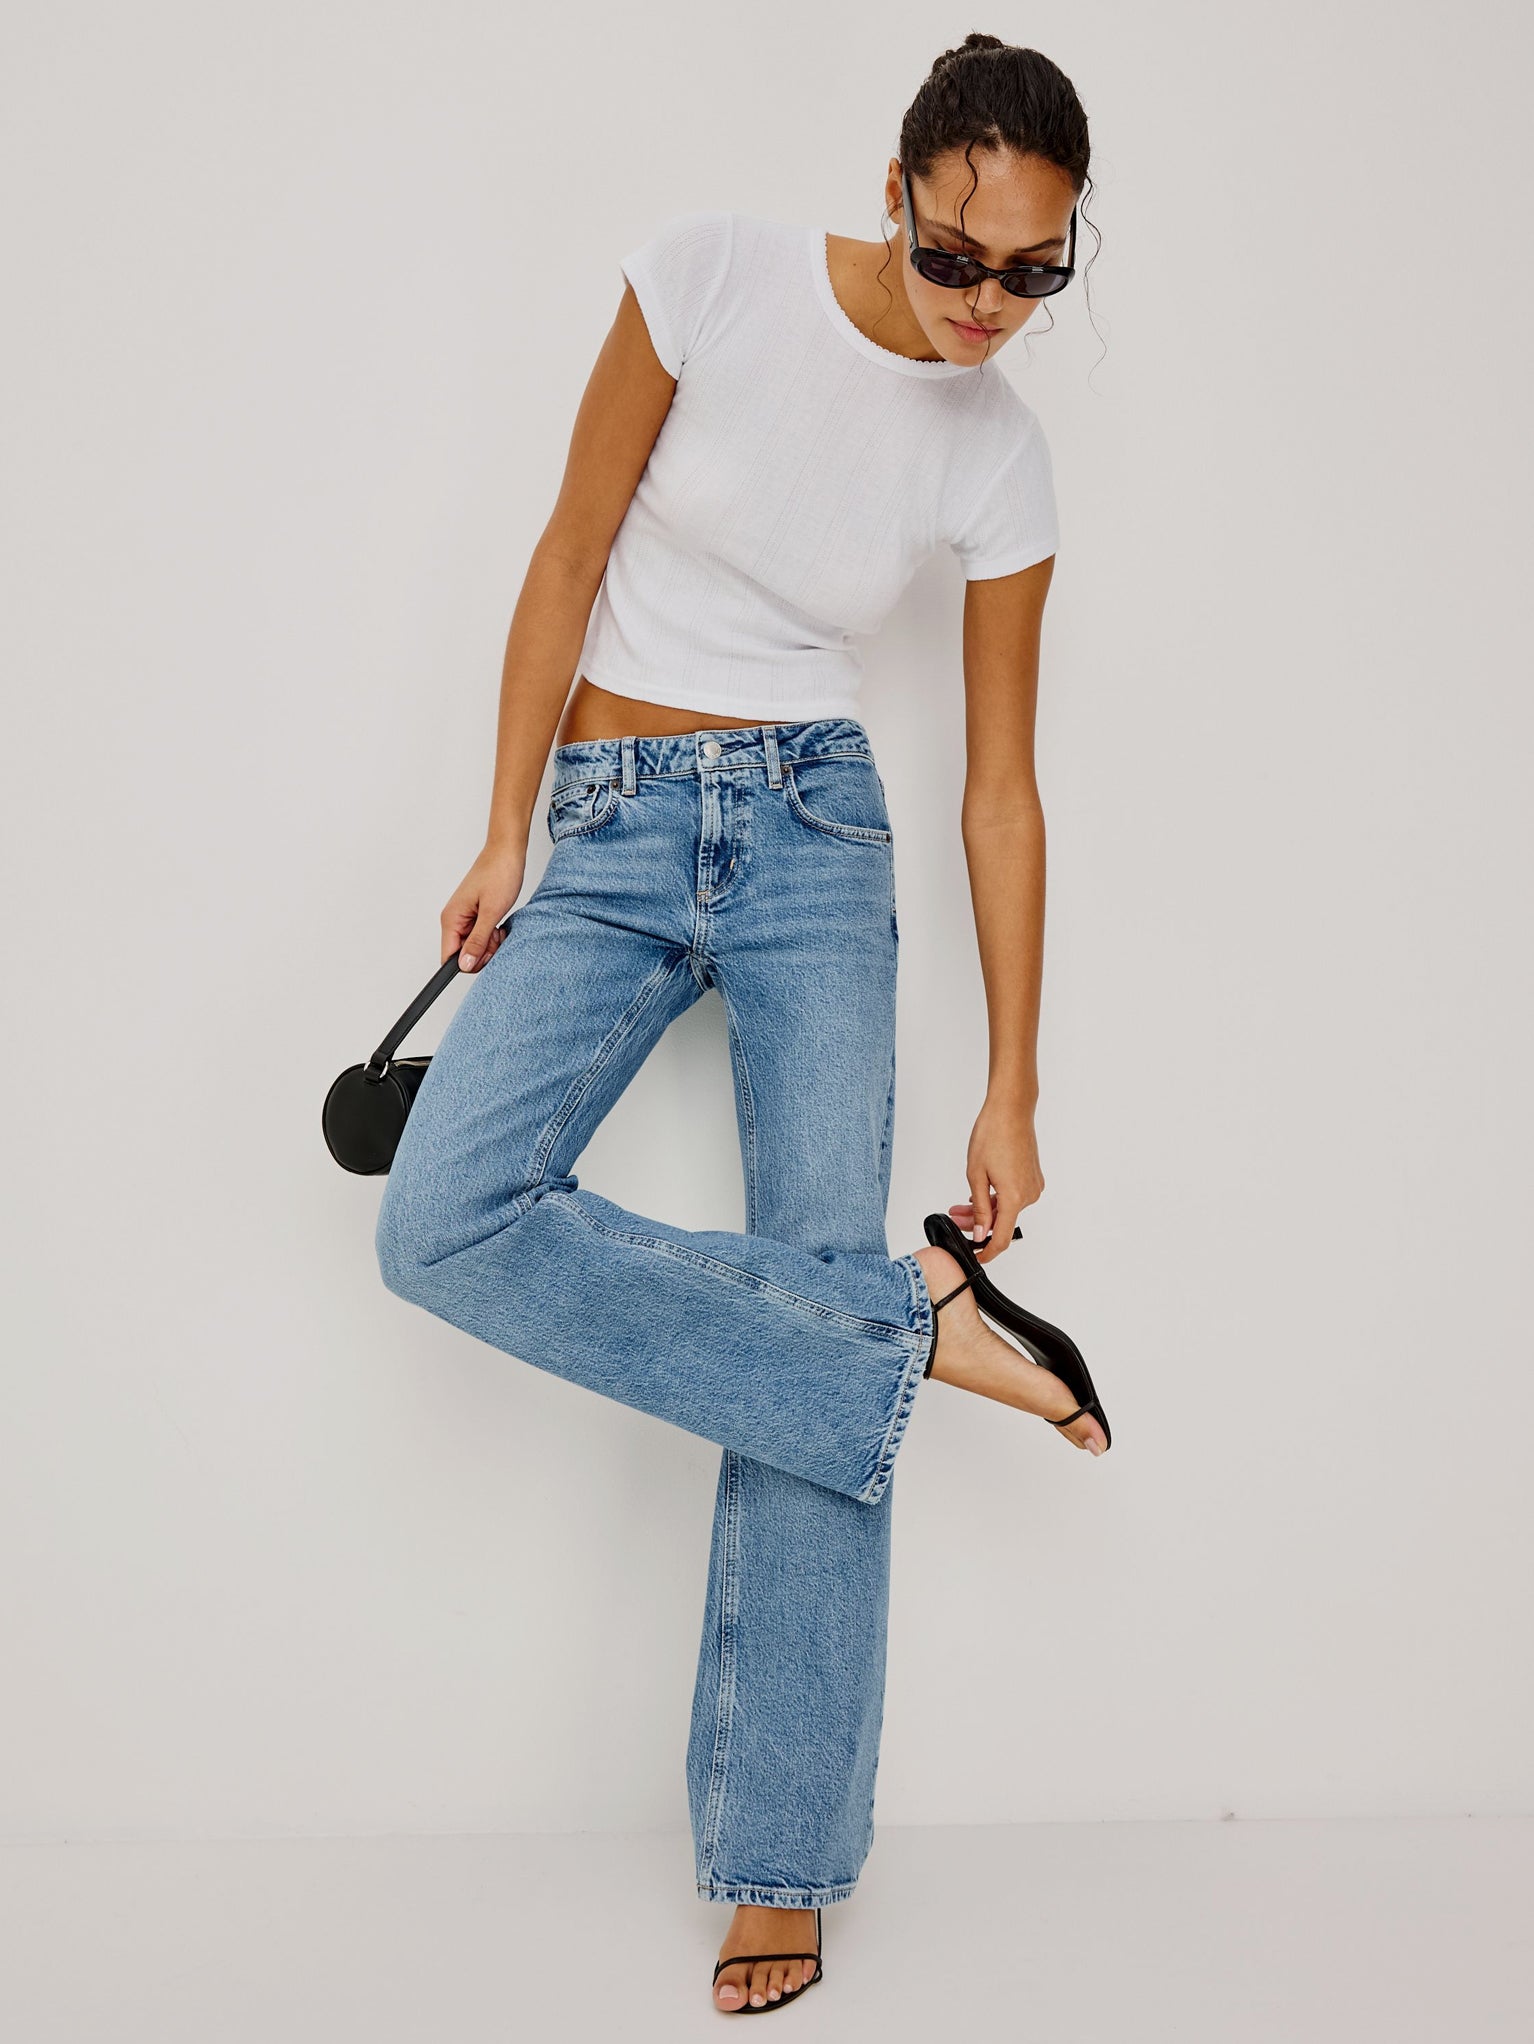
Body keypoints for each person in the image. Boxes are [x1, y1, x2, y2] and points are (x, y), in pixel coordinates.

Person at [374, 32, 1109, 2017]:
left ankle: (777, 1852)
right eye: (960, 258)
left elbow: (998, 787)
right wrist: (507, 816)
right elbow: (565, 545)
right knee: (437, 1217)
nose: (982, 313)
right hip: (604, 824)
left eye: (1033, 274)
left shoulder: (1001, 449)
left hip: (812, 835)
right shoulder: (706, 273)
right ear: (894, 188)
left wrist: (1013, 1078)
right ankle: (911, 1325)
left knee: (786, 1319)